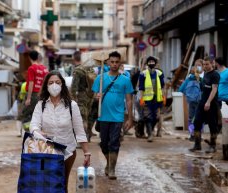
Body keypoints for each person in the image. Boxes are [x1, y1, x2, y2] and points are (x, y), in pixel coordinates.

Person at [30, 70, 90, 193]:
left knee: (62, 183)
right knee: (47, 183)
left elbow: (79, 131)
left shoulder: (71, 106)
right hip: (47, 151)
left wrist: (87, 153)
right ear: (46, 86)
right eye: (51, 83)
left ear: (62, 85)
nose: (54, 85)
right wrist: (38, 132)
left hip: (67, 151)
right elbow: (33, 125)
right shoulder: (41, 105)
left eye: (57, 82)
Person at [92, 51, 134, 180]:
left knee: (114, 142)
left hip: (118, 116)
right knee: (104, 143)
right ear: (108, 62)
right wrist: (97, 96)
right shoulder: (100, 78)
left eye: (117, 62)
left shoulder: (125, 80)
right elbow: (94, 96)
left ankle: (112, 169)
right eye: (112, 62)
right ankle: (109, 162)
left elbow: (128, 100)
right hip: (103, 116)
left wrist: (130, 118)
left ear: (120, 63)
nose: (114, 64)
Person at [189, 57, 220, 153]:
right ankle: (197, 144)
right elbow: (204, 88)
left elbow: (214, 89)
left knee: (212, 124)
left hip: (211, 103)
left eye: (207, 64)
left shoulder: (215, 75)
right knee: (197, 122)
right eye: (204, 64)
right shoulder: (205, 74)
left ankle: (213, 145)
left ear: (212, 64)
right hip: (202, 102)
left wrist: (208, 102)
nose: (205, 66)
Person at [138, 56, 166, 142]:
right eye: (149, 62)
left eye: (152, 62)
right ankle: (150, 134)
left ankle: (150, 130)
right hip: (147, 99)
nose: (151, 63)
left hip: (157, 99)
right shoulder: (143, 74)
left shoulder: (159, 73)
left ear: (155, 63)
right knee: (148, 117)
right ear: (147, 64)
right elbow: (141, 87)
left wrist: (163, 96)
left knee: (156, 118)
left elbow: (162, 86)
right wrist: (142, 98)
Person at [70, 51, 95, 141]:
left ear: (74, 58)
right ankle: (87, 137)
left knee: (81, 118)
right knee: (87, 117)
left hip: (81, 96)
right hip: (90, 96)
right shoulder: (90, 69)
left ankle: (82, 139)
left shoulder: (78, 70)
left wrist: (72, 99)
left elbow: (73, 87)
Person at [20, 50, 49, 124]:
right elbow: (47, 82)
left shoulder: (31, 68)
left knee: (25, 113)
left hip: (33, 94)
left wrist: (28, 98)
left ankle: (25, 131)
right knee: (39, 113)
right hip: (42, 94)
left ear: (30, 58)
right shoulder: (45, 69)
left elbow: (31, 83)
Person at [179, 59, 204, 141]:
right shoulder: (192, 77)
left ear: (203, 66)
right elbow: (182, 88)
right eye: (196, 65)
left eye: (199, 65)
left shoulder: (197, 77)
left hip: (198, 102)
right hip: (195, 101)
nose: (197, 67)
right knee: (194, 118)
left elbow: (181, 89)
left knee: (196, 118)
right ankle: (194, 134)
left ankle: (195, 134)